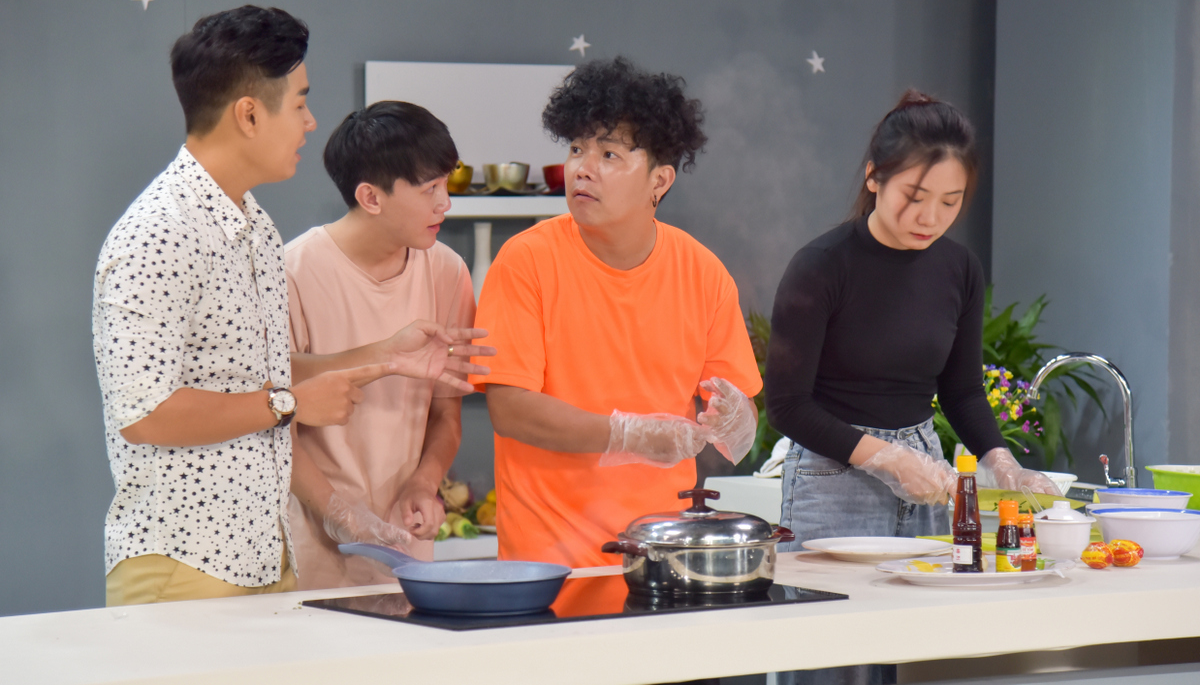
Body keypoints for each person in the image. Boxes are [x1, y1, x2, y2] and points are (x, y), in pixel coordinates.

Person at [93, 6, 479, 606]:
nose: (310, 121)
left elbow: (262, 370)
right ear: (249, 114)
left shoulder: (255, 227)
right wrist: (290, 404)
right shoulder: (159, 231)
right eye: (299, 102)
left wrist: (383, 356)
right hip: (184, 559)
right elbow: (144, 414)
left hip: (265, 555)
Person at [765, 91, 1059, 684]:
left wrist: (1002, 463)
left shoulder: (959, 269)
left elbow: (962, 391)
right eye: (915, 196)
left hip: (926, 475)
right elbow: (787, 405)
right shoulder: (821, 265)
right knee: (832, 661)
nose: (930, 218)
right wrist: (888, 458)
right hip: (834, 479)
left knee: (911, 652)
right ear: (874, 177)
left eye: (950, 202)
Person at [470, 57, 762, 570]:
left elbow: (740, 409)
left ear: (659, 180)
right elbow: (510, 408)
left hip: (662, 555)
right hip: (549, 564)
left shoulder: (703, 272)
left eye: (609, 154)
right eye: (576, 149)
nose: (582, 168)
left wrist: (737, 418)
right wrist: (626, 435)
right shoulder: (525, 260)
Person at [286, 101, 495, 589]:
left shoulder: (448, 271)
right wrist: (342, 516)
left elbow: (445, 414)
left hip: (406, 544)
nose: (445, 204)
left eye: (446, 184)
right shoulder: (292, 271)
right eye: (429, 190)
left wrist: (425, 481)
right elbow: (275, 427)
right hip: (313, 548)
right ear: (371, 197)